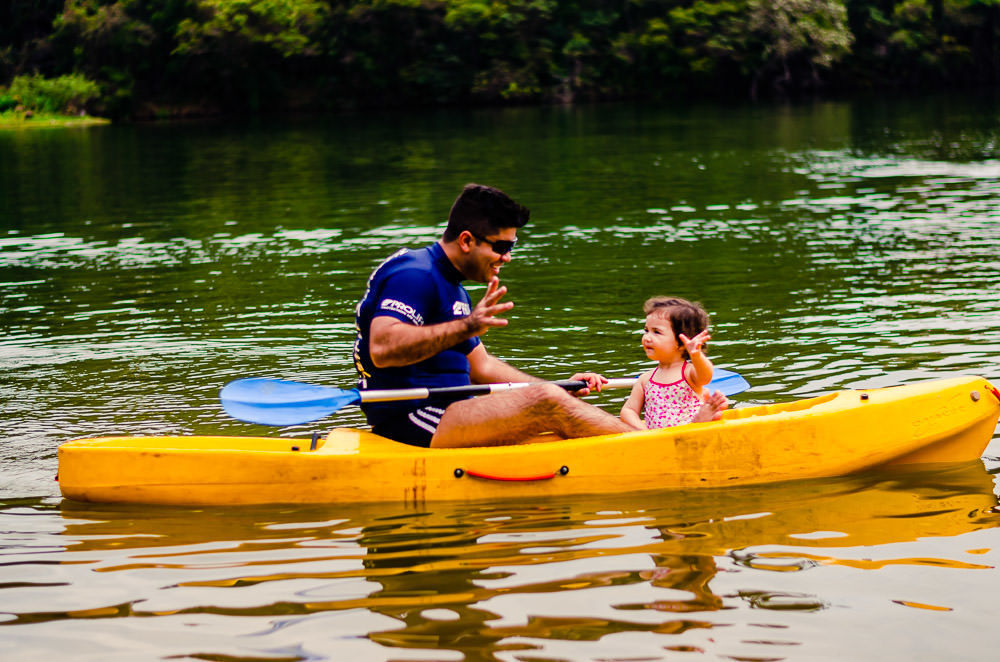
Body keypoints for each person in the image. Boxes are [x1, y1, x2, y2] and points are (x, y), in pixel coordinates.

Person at [353, 182, 640, 448]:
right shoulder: (415, 274)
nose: (507, 257)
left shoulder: (454, 288)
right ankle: (647, 447)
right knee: (547, 403)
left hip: (449, 413)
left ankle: (640, 446)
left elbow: (483, 368)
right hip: (414, 419)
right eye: (501, 247)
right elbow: (383, 348)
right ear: (466, 240)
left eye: (511, 247)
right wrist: (467, 327)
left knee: (556, 421)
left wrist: (560, 388)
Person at [620, 296, 728, 429]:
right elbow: (628, 411)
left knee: (697, 422)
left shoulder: (689, 373)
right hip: (658, 440)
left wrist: (697, 355)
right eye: (646, 330)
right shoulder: (645, 379)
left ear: (682, 343)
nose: (647, 337)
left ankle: (702, 419)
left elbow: (706, 376)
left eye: (656, 332)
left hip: (690, 433)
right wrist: (645, 431)